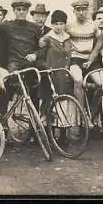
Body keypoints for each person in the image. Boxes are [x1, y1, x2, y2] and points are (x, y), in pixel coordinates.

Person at [0, 0, 42, 116]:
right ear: (14, 11)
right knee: (6, 87)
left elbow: (42, 46)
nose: (21, 12)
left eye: (24, 10)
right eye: (18, 10)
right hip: (14, 62)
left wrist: (35, 54)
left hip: (30, 64)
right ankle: (3, 121)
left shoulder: (35, 28)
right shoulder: (6, 26)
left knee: (35, 91)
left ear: (27, 11)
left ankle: (34, 126)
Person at [65, 0, 103, 127]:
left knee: (102, 85)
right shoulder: (69, 26)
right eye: (78, 10)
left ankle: (91, 115)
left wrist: (98, 57)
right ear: (74, 11)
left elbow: (100, 42)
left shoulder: (93, 25)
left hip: (90, 59)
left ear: (87, 11)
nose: (81, 12)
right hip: (75, 59)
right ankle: (82, 114)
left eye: (83, 10)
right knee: (78, 80)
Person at [37, 10, 76, 139]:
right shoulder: (47, 39)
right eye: (56, 24)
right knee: (51, 103)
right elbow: (40, 59)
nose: (59, 27)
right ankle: (50, 134)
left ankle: (63, 135)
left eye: (61, 23)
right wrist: (47, 69)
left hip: (64, 75)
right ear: (52, 24)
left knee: (64, 103)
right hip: (51, 75)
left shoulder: (67, 38)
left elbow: (69, 56)